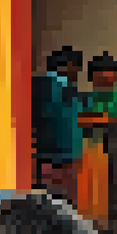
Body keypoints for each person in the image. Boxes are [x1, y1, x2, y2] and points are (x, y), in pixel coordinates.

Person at [77, 52, 117, 233]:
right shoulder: (86, 97)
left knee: (109, 189)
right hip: (89, 149)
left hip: (111, 148)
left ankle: (106, 224)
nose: (105, 77)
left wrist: (88, 119)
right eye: (100, 73)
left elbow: (110, 119)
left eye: (109, 72)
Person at [34, 47, 86, 206]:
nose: (77, 73)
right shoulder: (53, 87)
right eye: (76, 68)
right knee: (59, 203)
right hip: (56, 156)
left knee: (59, 203)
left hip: (59, 155)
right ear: (67, 66)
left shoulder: (63, 88)